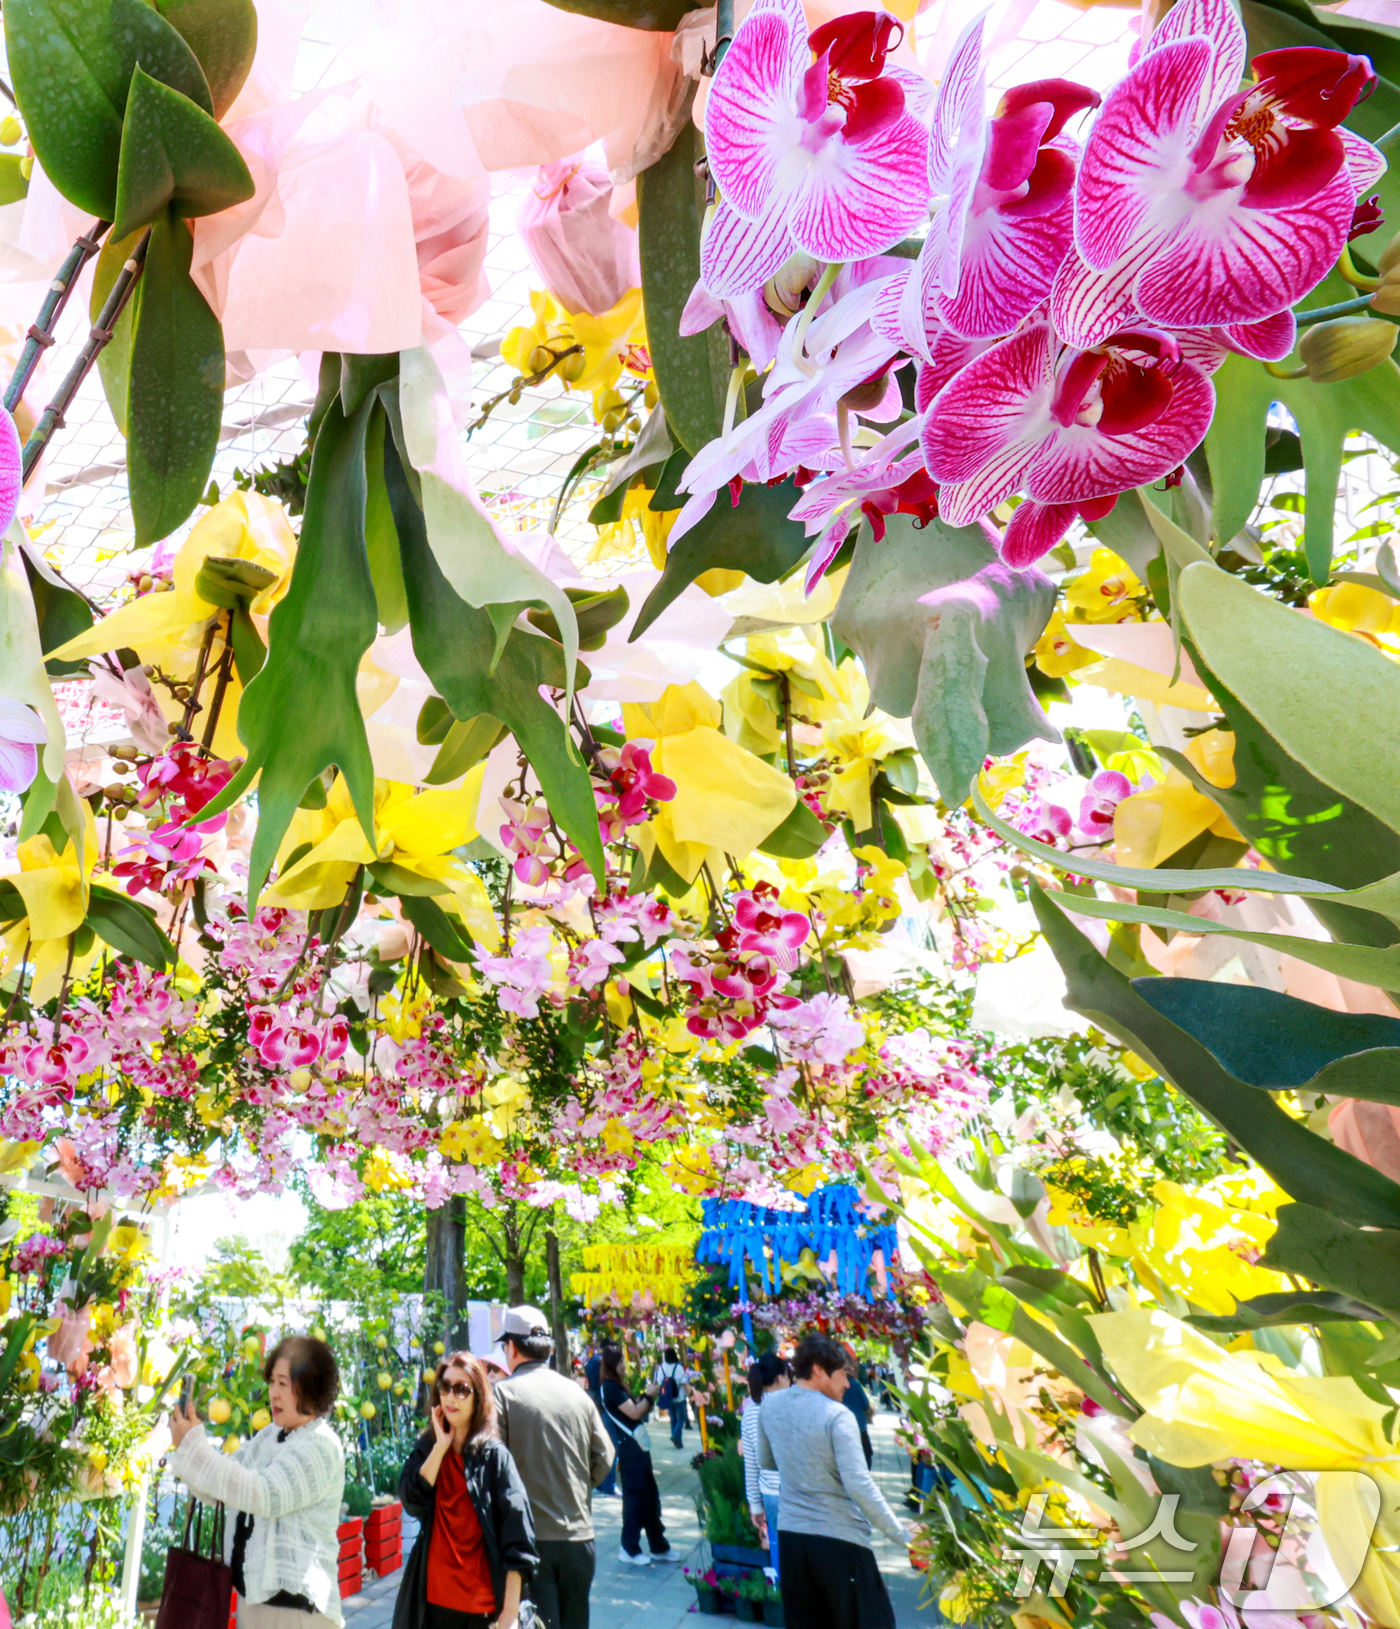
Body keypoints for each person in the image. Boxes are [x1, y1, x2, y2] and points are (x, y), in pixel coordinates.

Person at [168, 1335, 346, 1629]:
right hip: (255, 1606)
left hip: (297, 1614)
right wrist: (185, 1448)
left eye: (283, 1384)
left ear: (311, 1389)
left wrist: (194, 1448)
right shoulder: (269, 1436)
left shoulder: (320, 1445)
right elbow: (221, 1490)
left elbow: (262, 1494)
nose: (273, 1393)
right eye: (272, 1382)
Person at [757, 1333, 913, 1629]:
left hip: (791, 1539)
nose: (847, 1383)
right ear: (818, 1369)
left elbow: (766, 1461)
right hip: (840, 1543)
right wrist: (902, 1535)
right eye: (843, 1373)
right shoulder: (837, 1415)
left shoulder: (770, 1406)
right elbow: (858, 1485)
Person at [394, 1351, 538, 1629]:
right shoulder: (428, 1448)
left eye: (462, 1389)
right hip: (432, 1606)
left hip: (482, 1610)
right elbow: (412, 1500)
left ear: (478, 1397)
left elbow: (519, 1540)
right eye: (445, 1387)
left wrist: (510, 1613)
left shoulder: (494, 1457)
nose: (451, 1397)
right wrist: (440, 1446)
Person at [493, 1305, 615, 1629]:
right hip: (581, 1539)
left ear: (511, 1346)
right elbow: (605, 1456)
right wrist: (576, 1486)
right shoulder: (577, 1394)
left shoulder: (502, 1395)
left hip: (530, 1543)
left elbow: (493, 1465)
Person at [597, 1344, 675, 1567]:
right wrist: (649, 1397)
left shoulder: (617, 1386)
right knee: (634, 1499)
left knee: (649, 1497)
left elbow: (636, 1409)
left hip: (638, 1447)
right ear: (612, 1366)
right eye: (620, 1362)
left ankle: (659, 1546)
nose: (624, 1366)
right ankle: (628, 1548)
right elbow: (633, 1411)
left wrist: (646, 1397)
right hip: (630, 1449)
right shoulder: (610, 1387)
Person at [741, 1353, 790, 1578]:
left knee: (778, 1549)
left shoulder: (750, 1412)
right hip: (797, 1491)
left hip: (769, 1492)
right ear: (780, 1378)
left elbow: (750, 1464)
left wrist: (755, 1505)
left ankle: (780, 1594)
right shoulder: (791, 1406)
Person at [582, 1347, 617, 1498]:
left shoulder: (592, 1360)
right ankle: (608, 1485)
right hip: (603, 1408)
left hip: (595, 1404)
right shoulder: (600, 1364)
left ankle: (601, 1484)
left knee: (599, 1445)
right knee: (610, 1446)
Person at [651, 1345, 689, 1450]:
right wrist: (689, 1392)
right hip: (679, 1396)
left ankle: (676, 1439)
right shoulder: (679, 1367)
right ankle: (676, 1436)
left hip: (668, 1396)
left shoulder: (662, 1367)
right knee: (681, 1417)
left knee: (673, 1418)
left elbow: (659, 1381)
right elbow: (683, 1382)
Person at [840, 1355, 874, 1469]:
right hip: (859, 1426)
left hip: (842, 1429)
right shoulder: (854, 1384)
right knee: (864, 1459)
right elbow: (865, 1404)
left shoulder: (833, 1385)